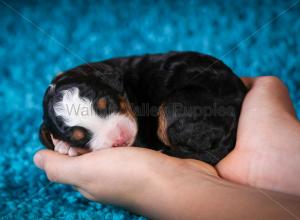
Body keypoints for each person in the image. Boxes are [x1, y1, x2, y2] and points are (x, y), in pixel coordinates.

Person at [34, 76, 300, 219]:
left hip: (196, 94)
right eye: (83, 137)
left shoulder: (120, 79)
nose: (116, 135)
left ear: (113, 86)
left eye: (109, 108)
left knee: (175, 116)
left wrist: (154, 187)